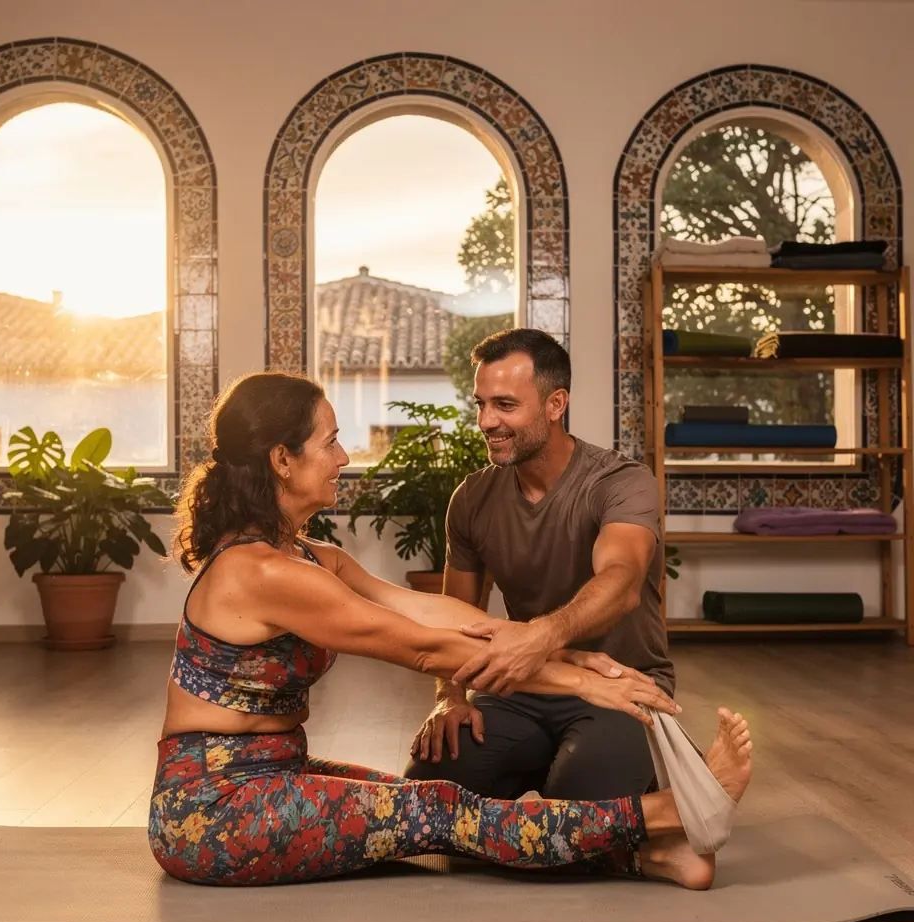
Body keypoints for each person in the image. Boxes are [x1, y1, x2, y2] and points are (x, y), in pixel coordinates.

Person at [148, 370, 753, 889]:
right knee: (440, 811)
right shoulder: (259, 572)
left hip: (275, 771)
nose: (344, 458)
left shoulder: (307, 556)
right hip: (212, 810)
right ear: (282, 459)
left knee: (437, 809)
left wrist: (561, 649)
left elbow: (433, 613)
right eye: (330, 442)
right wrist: (581, 684)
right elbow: (420, 647)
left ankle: (654, 855)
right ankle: (673, 812)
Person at [405, 328, 673, 803]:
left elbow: (622, 581)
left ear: (556, 404)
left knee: (579, 803)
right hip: (524, 684)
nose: (487, 421)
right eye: (481, 404)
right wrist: (450, 697)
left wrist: (541, 635)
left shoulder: (621, 482)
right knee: (430, 787)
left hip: (620, 685)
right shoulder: (471, 498)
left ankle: (625, 773)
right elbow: (455, 614)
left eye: (505, 405)